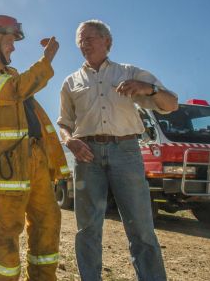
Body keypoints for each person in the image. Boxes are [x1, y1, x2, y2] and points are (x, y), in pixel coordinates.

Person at [58, 19, 178, 281]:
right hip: (86, 155)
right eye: (80, 40)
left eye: (89, 38)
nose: (83, 44)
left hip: (126, 153)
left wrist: (150, 88)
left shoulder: (129, 73)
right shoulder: (70, 82)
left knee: (141, 228)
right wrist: (70, 141)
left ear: (107, 42)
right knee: (87, 229)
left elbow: (172, 104)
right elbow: (64, 124)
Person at [0, 14, 70, 280]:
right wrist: (46, 61)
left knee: (48, 222)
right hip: (6, 168)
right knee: (8, 233)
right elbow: (12, 92)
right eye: (9, 41)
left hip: (34, 161)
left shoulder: (8, 73)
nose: (13, 47)